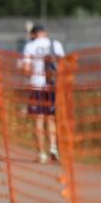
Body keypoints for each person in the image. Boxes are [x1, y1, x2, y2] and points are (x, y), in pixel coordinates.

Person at [19, 24, 65, 163]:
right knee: (51, 119)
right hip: (52, 86)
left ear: (33, 34)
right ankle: (53, 148)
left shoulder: (29, 46)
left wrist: (24, 70)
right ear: (45, 32)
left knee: (38, 119)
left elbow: (26, 69)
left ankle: (42, 154)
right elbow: (63, 65)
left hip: (37, 85)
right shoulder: (55, 44)